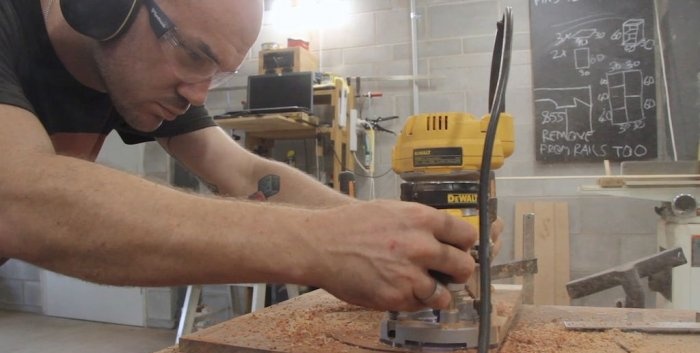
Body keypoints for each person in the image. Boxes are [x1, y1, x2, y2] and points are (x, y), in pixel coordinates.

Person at [0, 0, 502, 312]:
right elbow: (18, 199)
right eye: (194, 55)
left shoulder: (138, 72)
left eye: (217, 73)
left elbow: (244, 171)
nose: (198, 95)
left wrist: (402, 237)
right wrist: (324, 245)